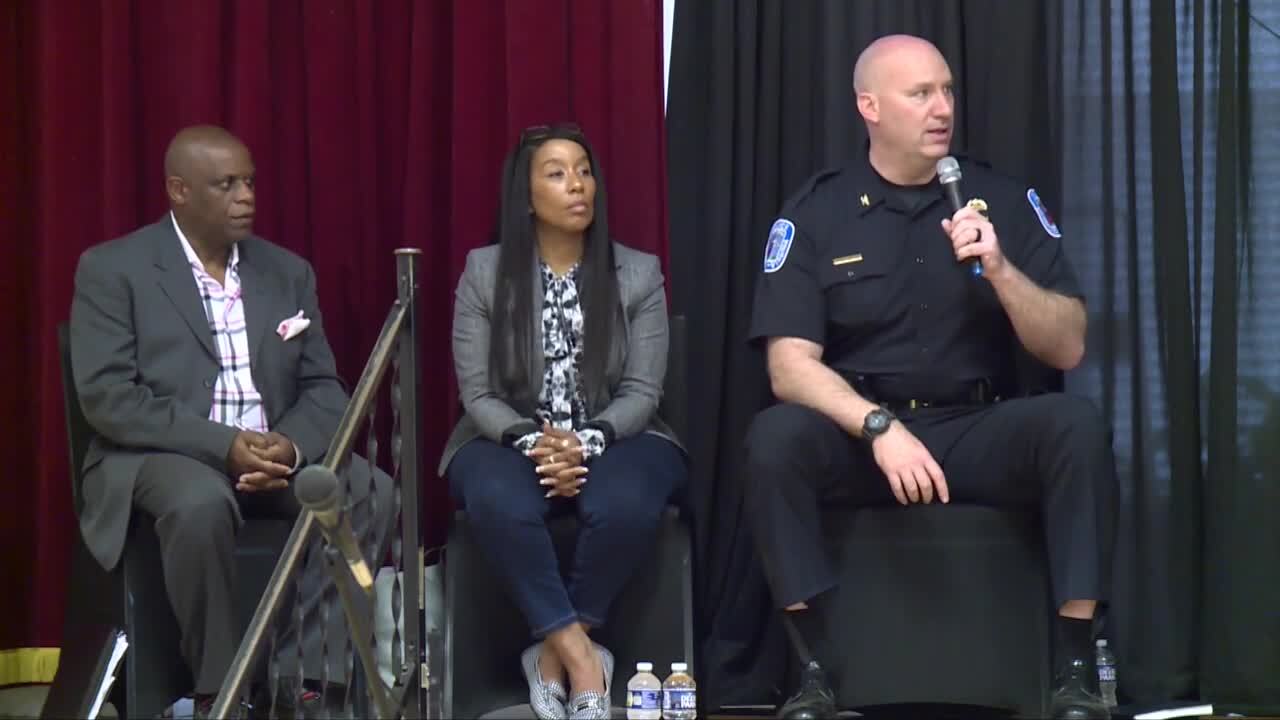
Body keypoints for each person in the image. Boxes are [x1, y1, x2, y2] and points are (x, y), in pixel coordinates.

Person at [743, 35, 1117, 720]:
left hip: (976, 425)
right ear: (870, 107)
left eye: (946, 91)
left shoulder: (1001, 198)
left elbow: (1067, 346)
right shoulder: (817, 212)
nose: (942, 108)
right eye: (920, 94)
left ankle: (1074, 669)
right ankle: (814, 669)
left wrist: (1000, 270)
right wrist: (878, 427)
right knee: (775, 440)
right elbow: (788, 366)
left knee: (1075, 424)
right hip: (866, 435)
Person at [69, 125, 392, 718]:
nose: (246, 197)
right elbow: (110, 398)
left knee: (370, 491)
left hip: (272, 453)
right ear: (179, 191)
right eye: (226, 185)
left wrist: (289, 448)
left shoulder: (287, 272)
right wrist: (225, 446)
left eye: (249, 182)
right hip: (164, 455)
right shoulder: (114, 269)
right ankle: (221, 690)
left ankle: (304, 683)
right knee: (199, 502)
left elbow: (324, 387)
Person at [439, 123, 687, 720]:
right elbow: (478, 392)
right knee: (499, 500)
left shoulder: (638, 273)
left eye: (584, 171)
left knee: (626, 500)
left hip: (621, 433)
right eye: (556, 174)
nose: (577, 185)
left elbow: (643, 390)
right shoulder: (484, 272)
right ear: (526, 197)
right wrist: (536, 442)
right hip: (504, 435)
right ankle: (582, 660)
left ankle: (548, 659)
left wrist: (584, 442)